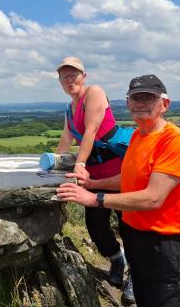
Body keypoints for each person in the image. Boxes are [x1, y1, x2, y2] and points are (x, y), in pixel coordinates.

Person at [57, 74, 180, 307]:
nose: (141, 103)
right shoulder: (138, 137)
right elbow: (128, 178)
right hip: (137, 236)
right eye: (136, 98)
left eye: (148, 98)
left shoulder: (175, 140)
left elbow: (153, 198)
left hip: (167, 241)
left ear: (165, 104)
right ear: (127, 103)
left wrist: (95, 199)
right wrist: (94, 184)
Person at [55, 57, 133, 300]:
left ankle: (136, 274)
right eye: (64, 77)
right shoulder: (70, 108)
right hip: (94, 178)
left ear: (84, 76)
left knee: (129, 227)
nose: (69, 80)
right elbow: (66, 139)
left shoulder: (95, 93)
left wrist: (79, 163)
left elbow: (90, 130)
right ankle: (117, 259)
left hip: (121, 175)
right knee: (97, 228)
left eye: (73, 75)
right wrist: (52, 164)